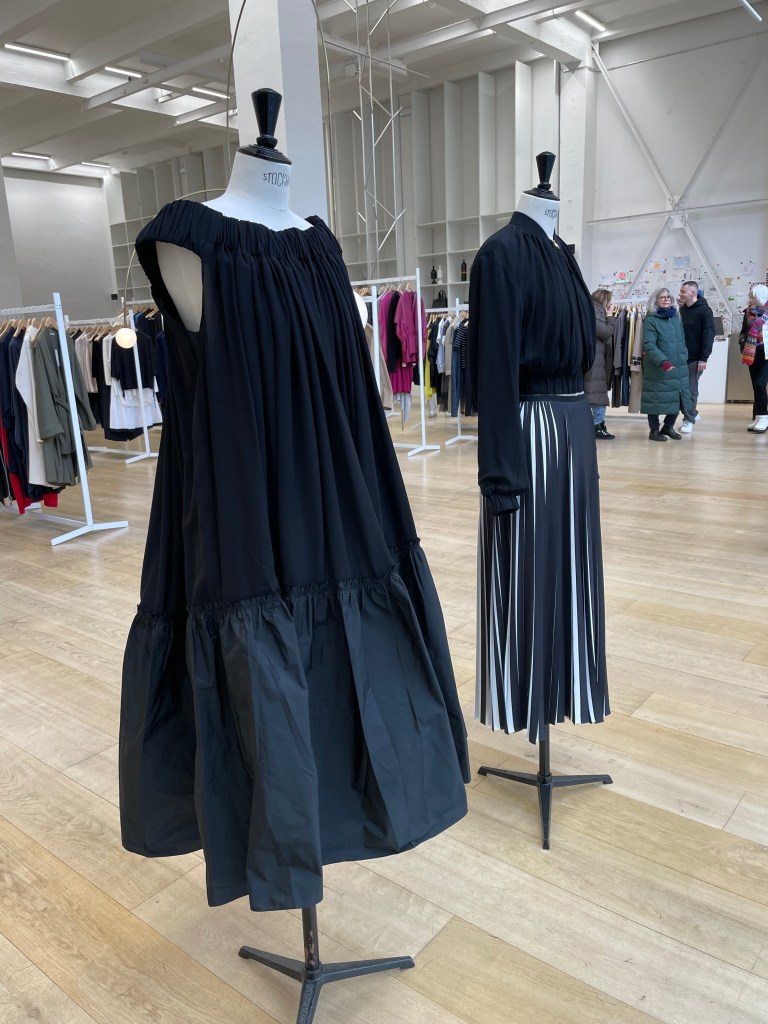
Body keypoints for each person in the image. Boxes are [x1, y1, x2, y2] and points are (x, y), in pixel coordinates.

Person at [641, 287, 692, 442]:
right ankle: (654, 430)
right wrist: (663, 361)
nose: (666, 300)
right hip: (659, 367)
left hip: (678, 365)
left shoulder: (676, 317)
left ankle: (668, 427)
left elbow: (682, 338)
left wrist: (684, 354)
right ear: (655, 301)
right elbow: (649, 345)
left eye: (668, 297)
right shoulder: (651, 319)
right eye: (662, 297)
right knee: (655, 398)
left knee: (678, 397)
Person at [677, 280, 714, 433]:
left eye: (683, 291)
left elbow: (708, 335)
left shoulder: (705, 311)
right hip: (681, 358)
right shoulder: (682, 311)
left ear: (693, 292)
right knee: (679, 390)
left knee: (690, 390)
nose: (680, 294)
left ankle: (688, 420)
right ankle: (693, 413)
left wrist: (704, 358)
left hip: (696, 358)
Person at [586, 288, 616, 439]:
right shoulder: (595, 311)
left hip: (595, 358)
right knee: (597, 395)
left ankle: (598, 424)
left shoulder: (591, 309)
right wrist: (610, 317)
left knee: (595, 393)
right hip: (595, 360)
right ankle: (597, 425)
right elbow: (605, 332)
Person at [739, 284, 768, 433]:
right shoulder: (747, 312)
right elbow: (744, 332)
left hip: (766, 353)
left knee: (760, 383)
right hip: (752, 352)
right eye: (750, 296)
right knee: (755, 385)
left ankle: (763, 417)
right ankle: (758, 417)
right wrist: (743, 344)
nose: (750, 299)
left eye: (753, 297)